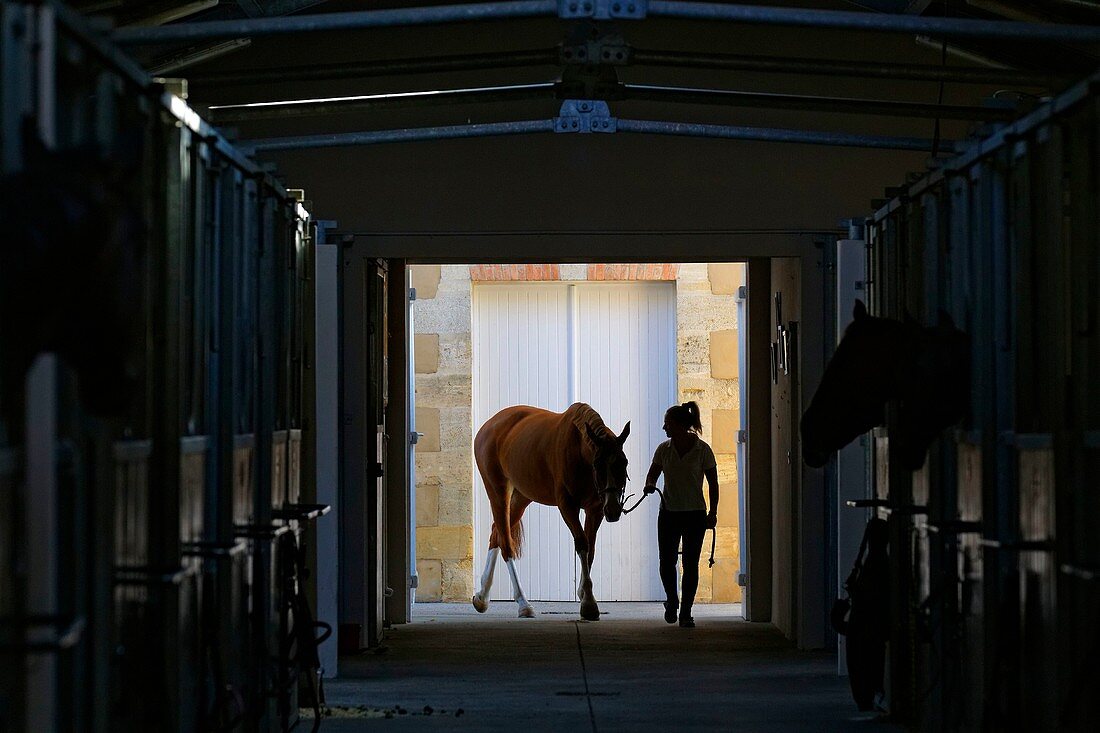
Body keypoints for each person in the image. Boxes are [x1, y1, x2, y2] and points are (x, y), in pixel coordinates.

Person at [643, 401, 719, 628]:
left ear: (677, 425)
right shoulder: (663, 450)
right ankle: (672, 600)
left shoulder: (703, 450)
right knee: (666, 561)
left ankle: (686, 611)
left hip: (695, 514)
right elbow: (652, 475)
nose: (664, 428)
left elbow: (713, 484)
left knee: (690, 563)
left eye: (667, 424)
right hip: (669, 513)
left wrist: (713, 513)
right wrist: (649, 485)